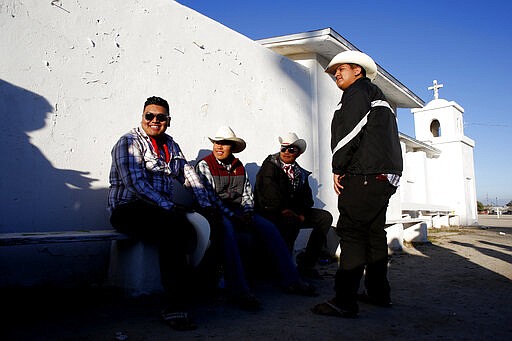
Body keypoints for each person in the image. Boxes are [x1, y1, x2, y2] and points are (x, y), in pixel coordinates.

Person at [108, 96, 217, 331]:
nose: (155, 120)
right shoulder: (128, 142)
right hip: (128, 210)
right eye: (150, 116)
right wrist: (169, 207)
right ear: (143, 117)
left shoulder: (170, 144)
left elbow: (188, 175)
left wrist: (206, 204)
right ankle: (174, 305)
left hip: (159, 210)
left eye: (161, 117)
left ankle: (195, 287)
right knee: (173, 228)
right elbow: (135, 184)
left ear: (168, 120)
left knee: (206, 224)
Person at [311, 51, 403, 318]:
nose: (336, 74)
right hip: (382, 176)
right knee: (374, 234)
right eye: (334, 71)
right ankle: (378, 293)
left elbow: (350, 131)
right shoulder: (375, 95)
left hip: (363, 175)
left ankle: (344, 301)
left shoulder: (358, 92)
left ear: (358, 71)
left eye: (342, 69)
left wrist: (338, 167)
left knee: (351, 233)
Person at [196, 126, 317, 304]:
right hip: (215, 212)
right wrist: (235, 216)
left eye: (224, 144)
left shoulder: (238, 166)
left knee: (269, 228)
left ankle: (292, 280)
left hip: (238, 211)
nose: (219, 147)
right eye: (216, 143)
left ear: (232, 147)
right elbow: (212, 199)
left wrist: (247, 212)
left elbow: (247, 194)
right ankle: (239, 291)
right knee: (228, 231)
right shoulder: (205, 165)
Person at [254, 132, 333, 279]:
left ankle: (307, 264)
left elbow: (307, 198)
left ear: (298, 152)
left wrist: (301, 213)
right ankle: (285, 269)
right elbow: (270, 194)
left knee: (324, 217)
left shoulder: (299, 172)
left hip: (293, 212)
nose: (286, 152)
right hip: (271, 212)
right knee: (290, 222)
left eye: (291, 149)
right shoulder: (270, 166)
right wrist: (288, 211)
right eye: (283, 149)